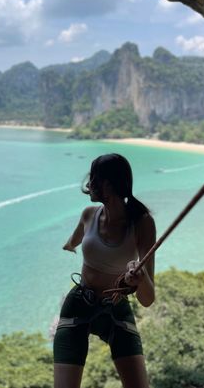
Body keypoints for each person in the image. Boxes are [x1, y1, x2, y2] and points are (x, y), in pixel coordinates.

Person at [53, 153, 156, 388]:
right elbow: (75, 239)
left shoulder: (142, 223)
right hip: (79, 302)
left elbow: (148, 299)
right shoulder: (89, 215)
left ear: (108, 185)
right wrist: (69, 245)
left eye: (94, 179)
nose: (89, 185)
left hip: (115, 306)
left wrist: (139, 280)